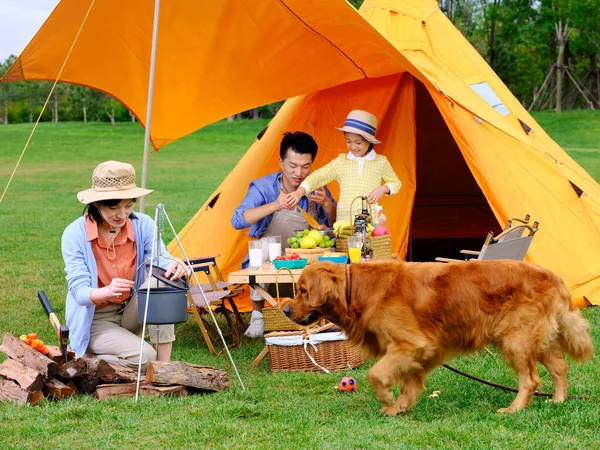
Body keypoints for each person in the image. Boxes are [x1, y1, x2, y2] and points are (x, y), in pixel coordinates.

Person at [62, 161, 188, 371]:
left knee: (161, 283)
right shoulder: (74, 234)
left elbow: (160, 259)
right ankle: (88, 359)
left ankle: (165, 368)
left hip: (130, 310)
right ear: (97, 204)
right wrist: (106, 291)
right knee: (146, 357)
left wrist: (175, 264)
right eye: (114, 207)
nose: (123, 214)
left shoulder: (143, 224)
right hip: (95, 319)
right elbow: (79, 292)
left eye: (129, 205)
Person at [231, 131, 336, 338]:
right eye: (293, 165)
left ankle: (324, 315)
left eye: (306, 166)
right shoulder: (262, 187)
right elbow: (238, 220)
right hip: (273, 260)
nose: (299, 173)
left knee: (333, 252)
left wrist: (327, 204)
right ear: (281, 162)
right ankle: (258, 317)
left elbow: (335, 225)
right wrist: (274, 205)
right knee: (259, 248)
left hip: (306, 261)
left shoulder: (316, 187)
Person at [287, 110, 402, 223]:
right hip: (344, 222)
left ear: (369, 141)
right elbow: (318, 176)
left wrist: (382, 189)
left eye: (358, 143)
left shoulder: (380, 162)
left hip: (370, 222)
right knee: (345, 242)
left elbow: (396, 183)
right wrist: (300, 191)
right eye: (348, 141)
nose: (353, 146)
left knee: (369, 241)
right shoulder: (341, 162)